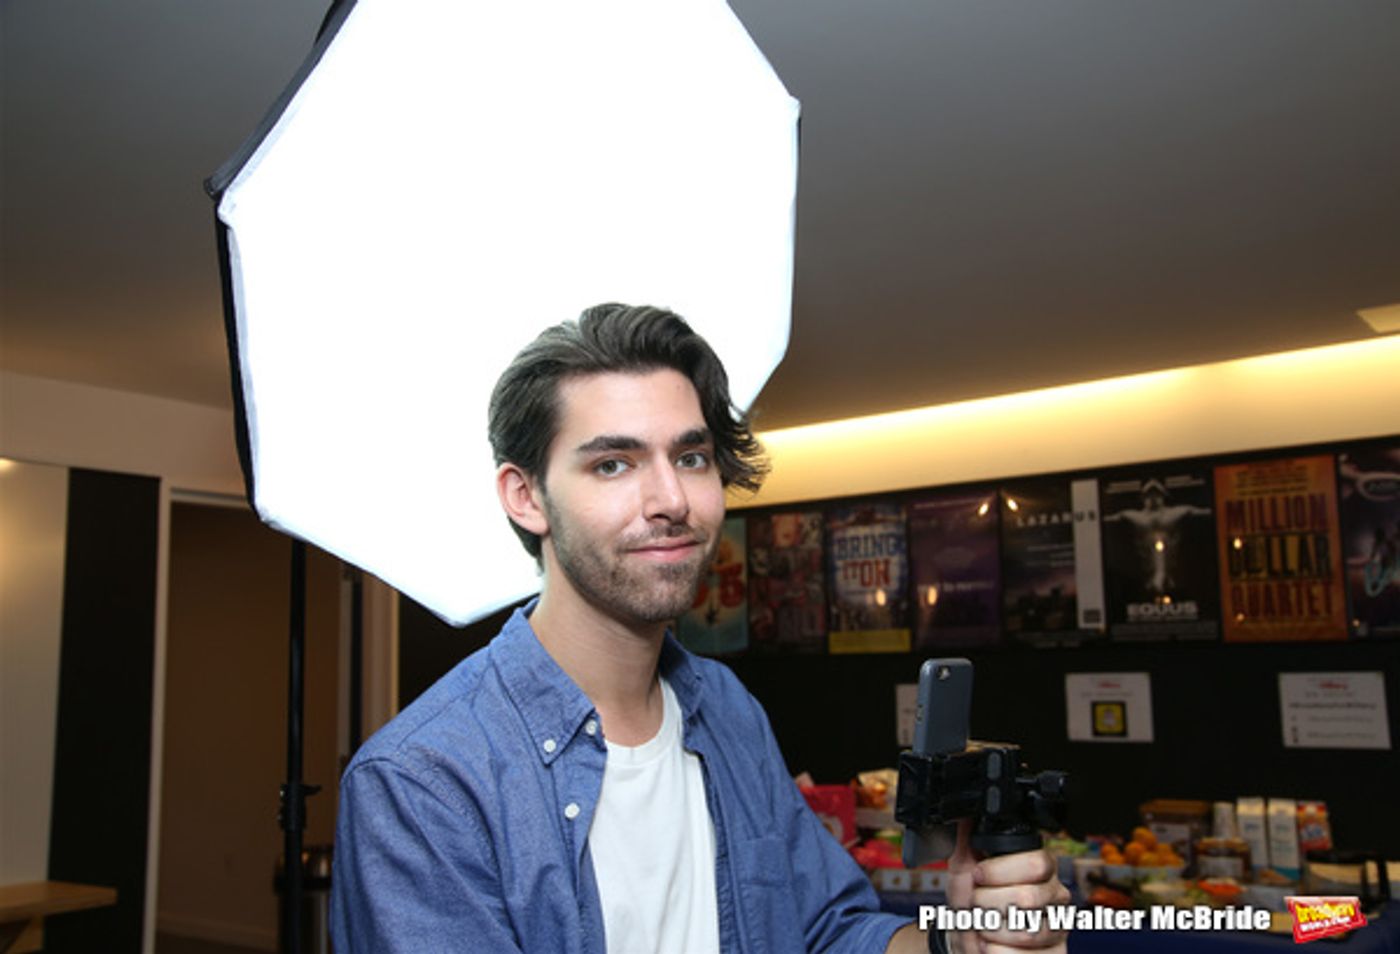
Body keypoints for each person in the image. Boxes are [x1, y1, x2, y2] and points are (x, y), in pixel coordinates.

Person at [330, 303, 1069, 953]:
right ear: (526, 497)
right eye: (614, 464)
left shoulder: (726, 710)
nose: (671, 499)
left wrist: (959, 945)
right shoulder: (422, 786)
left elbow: (830, 931)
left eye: (690, 457)